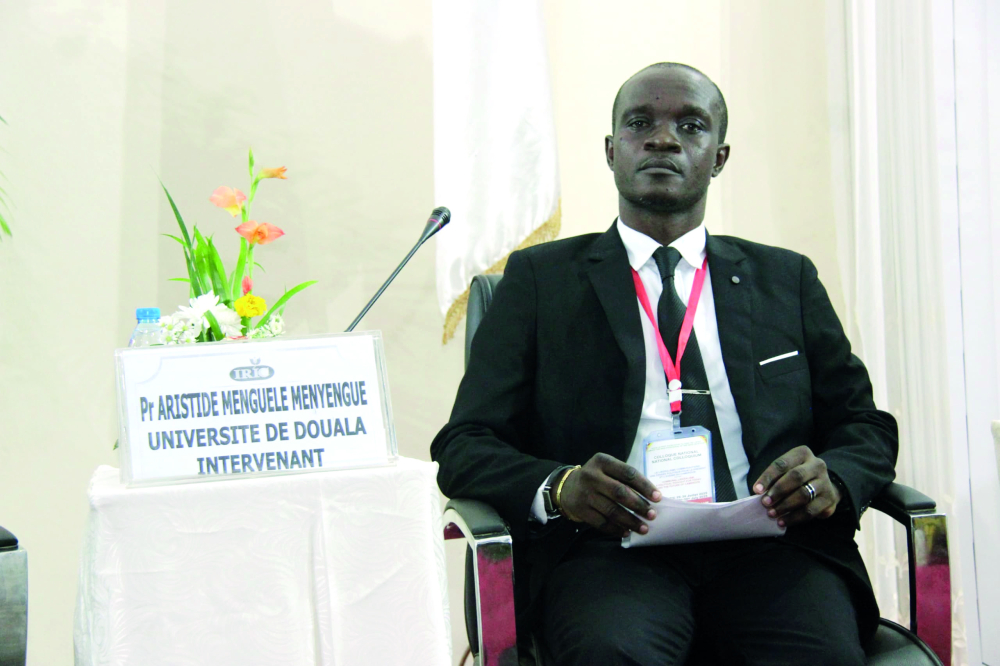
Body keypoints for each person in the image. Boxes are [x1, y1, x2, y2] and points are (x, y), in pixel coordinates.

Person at [431, 62, 897, 666]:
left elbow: (865, 425)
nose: (662, 139)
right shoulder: (540, 282)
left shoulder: (787, 280)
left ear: (719, 157)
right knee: (612, 654)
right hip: (608, 552)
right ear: (611, 151)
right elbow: (464, 444)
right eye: (640, 123)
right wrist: (561, 487)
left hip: (774, 548)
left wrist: (832, 477)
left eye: (691, 126)